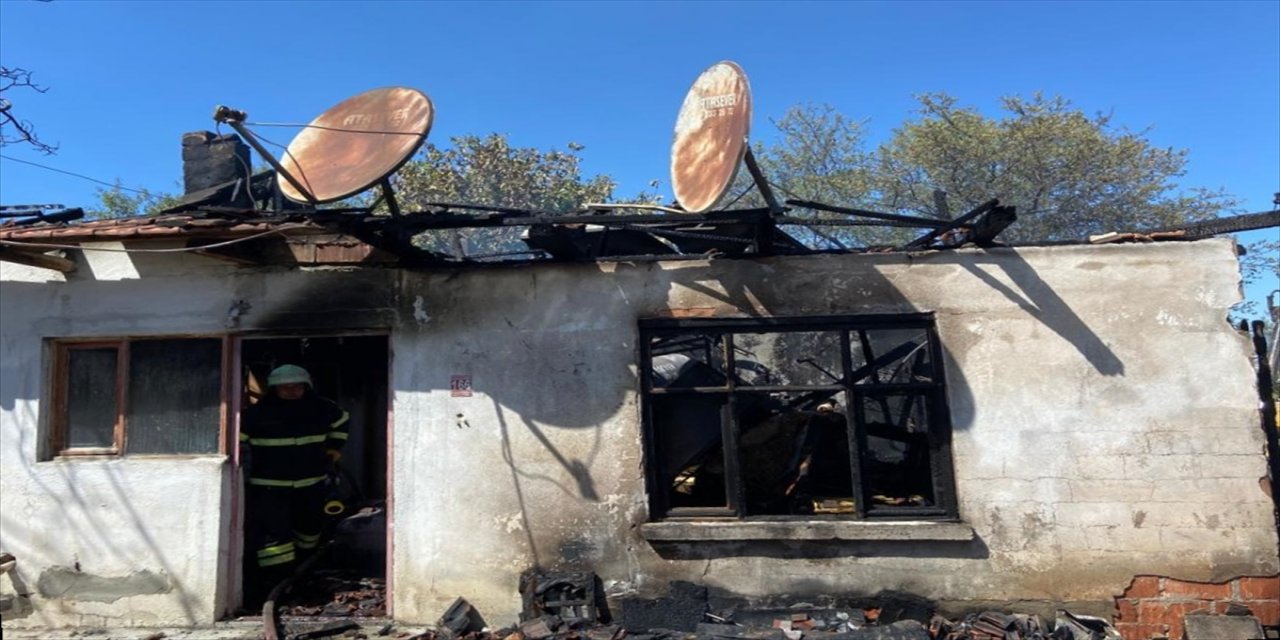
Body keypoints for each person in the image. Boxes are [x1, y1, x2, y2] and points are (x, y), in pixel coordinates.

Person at [240, 364, 349, 606]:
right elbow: (235, 444)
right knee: (273, 536)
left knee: (309, 529)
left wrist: (333, 449)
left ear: (306, 386)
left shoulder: (322, 409)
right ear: (274, 389)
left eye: (297, 386)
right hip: (268, 486)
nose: (291, 391)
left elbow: (343, 422)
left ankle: (304, 569)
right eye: (285, 387)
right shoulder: (255, 415)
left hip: (311, 484)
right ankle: (275, 583)